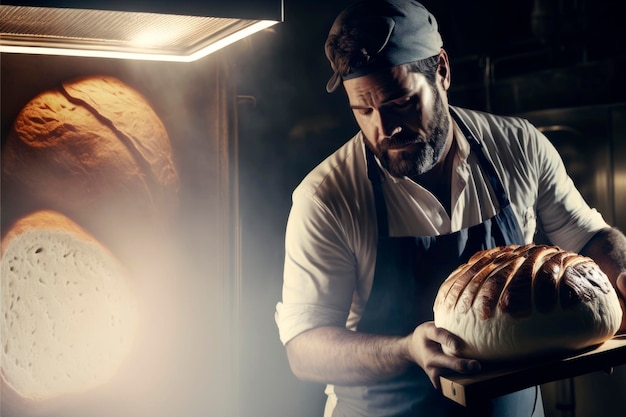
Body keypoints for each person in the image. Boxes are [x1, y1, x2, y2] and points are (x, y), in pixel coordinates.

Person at [274, 0, 626, 416]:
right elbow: (304, 349)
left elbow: (591, 238)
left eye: (401, 102)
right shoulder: (327, 198)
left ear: (441, 70)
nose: (384, 130)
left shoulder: (519, 147)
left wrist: (620, 273)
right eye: (363, 111)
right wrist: (405, 349)